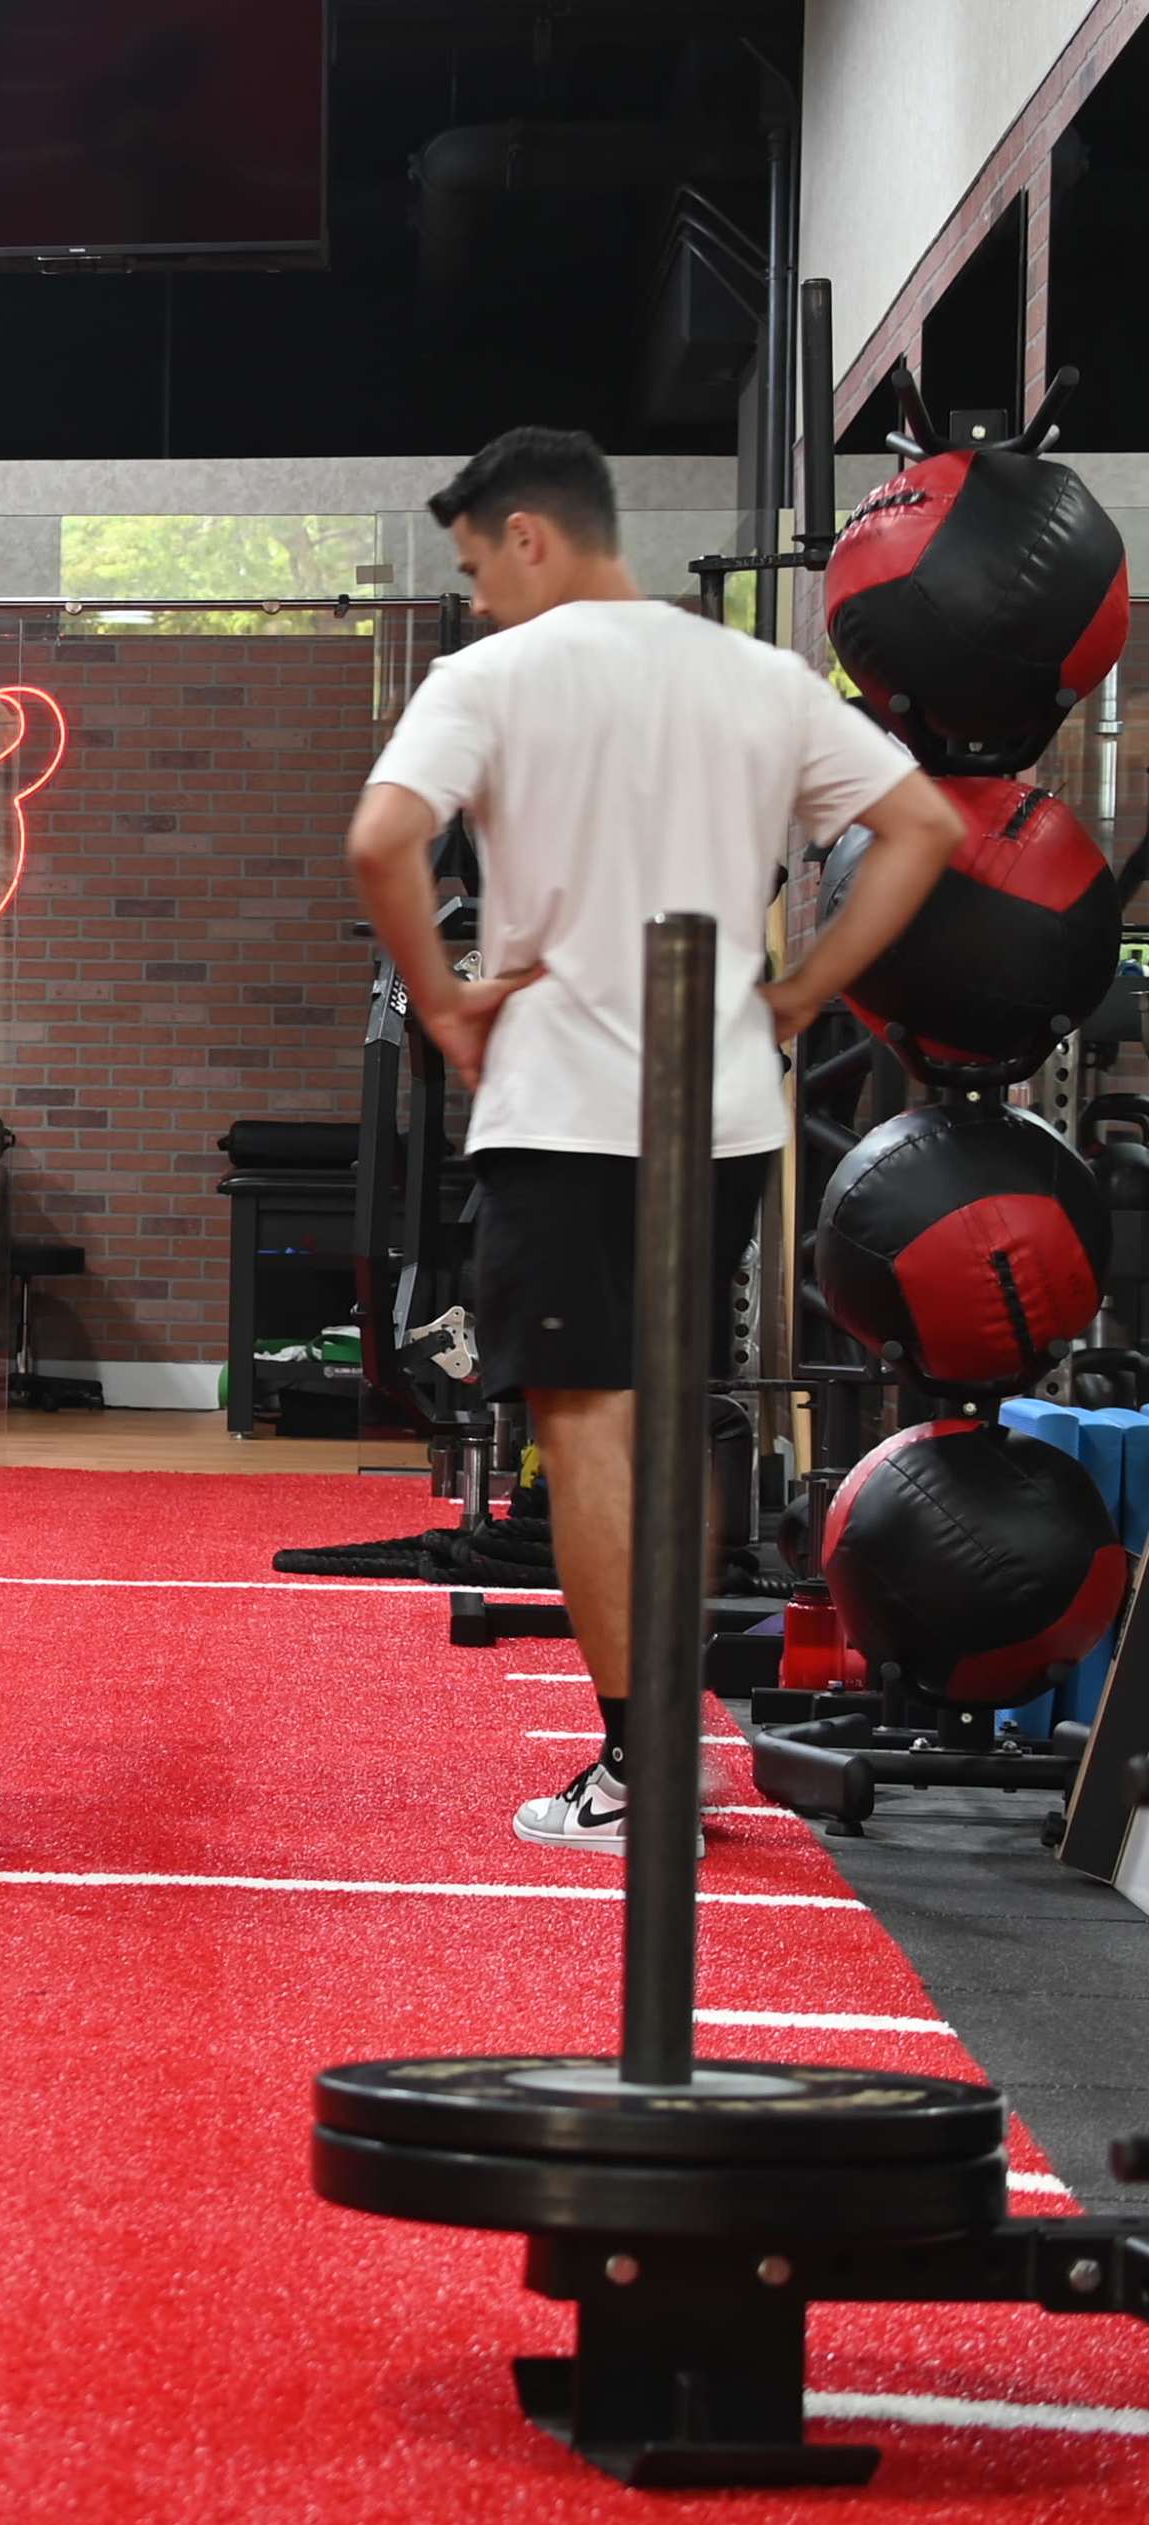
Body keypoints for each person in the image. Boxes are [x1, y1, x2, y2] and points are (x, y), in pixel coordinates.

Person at [347, 425, 963, 1853]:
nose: (482, 598)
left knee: (596, 1437)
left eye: (478, 567)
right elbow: (922, 826)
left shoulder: (487, 677)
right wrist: (803, 993)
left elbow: (382, 840)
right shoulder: (758, 676)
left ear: (529, 537)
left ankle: (640, 1777)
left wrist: (441, 1001)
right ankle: (658, 1758)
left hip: (561, 1113)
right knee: (673, 1423)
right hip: (725, 1113)